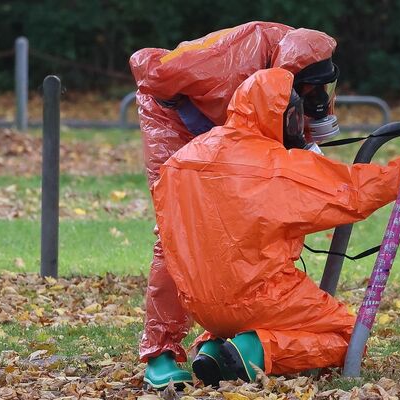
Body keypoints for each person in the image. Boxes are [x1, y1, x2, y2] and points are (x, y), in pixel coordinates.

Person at [152, 67, 400, 385]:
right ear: (281, 116)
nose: (300, 126)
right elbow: (351, 192)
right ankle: (255, 351)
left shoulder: (180, 162)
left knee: (250, 317)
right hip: (261, 296)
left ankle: (215, 351)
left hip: (199, 305)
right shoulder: (277, 166)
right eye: (296, 117)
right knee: (349, 336)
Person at [129, 22, 339, 389]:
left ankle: (228, 339)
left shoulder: (309, 60)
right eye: (310, 90)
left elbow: (294, 122)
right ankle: (160, 352)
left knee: (247, 225)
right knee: (178, 233)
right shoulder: (230, 60)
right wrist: (206, 126)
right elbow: (147, 68)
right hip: (175, 124)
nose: (319, 98)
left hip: (231, 132)